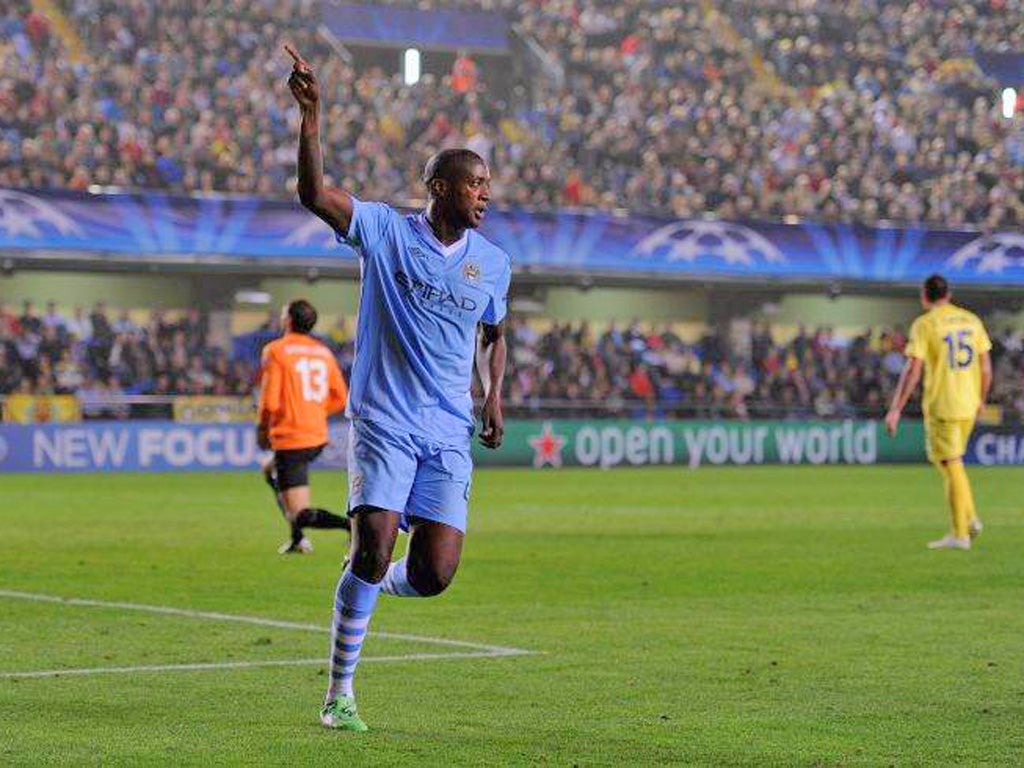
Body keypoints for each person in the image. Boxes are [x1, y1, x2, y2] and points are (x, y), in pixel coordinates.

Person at [286, 44, 511, 732]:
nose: (486, 196)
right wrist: (313, 119)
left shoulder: (493, 264)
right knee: (376, 543)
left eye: (488, 187)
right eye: (477, 185)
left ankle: (364, 581)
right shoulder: (384, 231)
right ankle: (339, 693)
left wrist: (494, 393)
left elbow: (495, 332)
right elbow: (313, 194)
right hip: (384, 420)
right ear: (443, 186)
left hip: (447, 430)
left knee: (436, 572)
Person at [885, 274, 992, 550]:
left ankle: (961, 532)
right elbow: (986, 368)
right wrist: (981, 399)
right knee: (952, 462)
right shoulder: (972, 320)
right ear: (949, 294)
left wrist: (896, 408)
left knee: (950, 463)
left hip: (943, 404)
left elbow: (912, 370)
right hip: (968, 403)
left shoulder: (925, 324)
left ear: (925, 295)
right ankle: (968, 519)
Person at [257, 299, 351, 554]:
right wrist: (314, 412)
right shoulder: (323, 352)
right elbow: (341, 397)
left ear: (288, 320)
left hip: (292, 438)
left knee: (299, 513)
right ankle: (298, 540)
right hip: (317, 434)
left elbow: (270, 400)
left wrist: (262, 429)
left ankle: (353, 526)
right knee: (269, 470)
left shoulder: (276, 350)